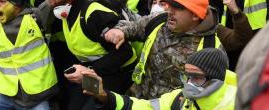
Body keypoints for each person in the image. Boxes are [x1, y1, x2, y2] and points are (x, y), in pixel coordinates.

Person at [105, 0, 224, 99]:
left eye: (177, 7)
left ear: (195, 15)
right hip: (136, 100)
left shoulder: (211, 49)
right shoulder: (159, 20)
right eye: (170, 5)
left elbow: (209, 95)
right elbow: (134, 27)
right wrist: (120, 31)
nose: (170, 11)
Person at [38, 0, 138, 109]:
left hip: (118, 74)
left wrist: (89, 69)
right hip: (95, 72)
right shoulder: (66, 12)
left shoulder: (94, 14)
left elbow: (124, 52)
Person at [83, 48, 235, 109]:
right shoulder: (179, 97)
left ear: (215, 79)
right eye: (187, 76)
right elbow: (145, 107)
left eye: (196, 77)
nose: (188, 84)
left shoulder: (240, 102)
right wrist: (104, 96)